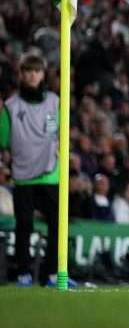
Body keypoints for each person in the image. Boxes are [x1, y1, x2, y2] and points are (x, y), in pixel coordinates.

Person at [0, 53, 75, 287]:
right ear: (21, 74)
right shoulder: (11, 106)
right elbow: (3, 140)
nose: (32, 75)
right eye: (28, 71)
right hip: (23, 177)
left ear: (43, 74)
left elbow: (57, 133)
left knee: (58, 225)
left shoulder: (54, 102)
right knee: (24, 226)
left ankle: (52, 274)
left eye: (36, 71)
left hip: (50, 174)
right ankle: (23, 273)